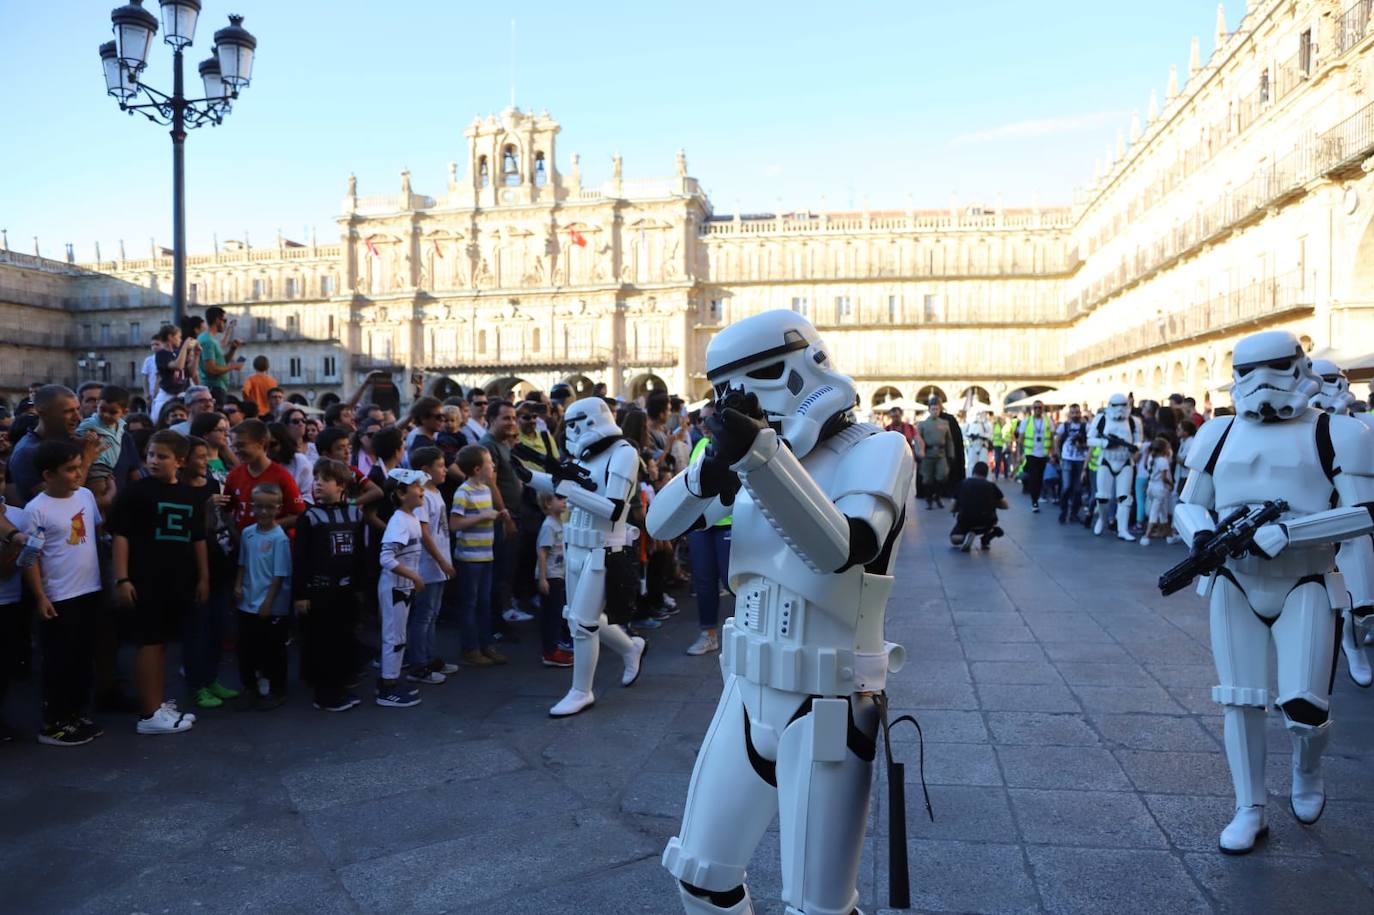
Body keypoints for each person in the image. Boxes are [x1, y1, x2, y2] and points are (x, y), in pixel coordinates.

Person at [645, 310, 912, 915]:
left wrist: (763, 457)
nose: (737, 404)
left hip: (828, 703)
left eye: (748, 385)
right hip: (745, 692)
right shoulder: (754, 457)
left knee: (819, 909)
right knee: (700, 877)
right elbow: (659, 524)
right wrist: (705, 475)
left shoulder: (878, 449)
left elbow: (842, 548)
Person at [1171, 330, 1374, 854]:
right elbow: (1190, 501)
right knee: (1239, 701)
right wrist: (1200, 535)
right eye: (1248, 370)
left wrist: (1293, 532)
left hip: (1304, 577)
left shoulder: (1337, 433)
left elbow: (1366, 512)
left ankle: (1308, 767)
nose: (1261, 382)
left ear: (1299, 366)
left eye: (1276, 366)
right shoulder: (1217, 434)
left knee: (1304, 708)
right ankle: (1250, 807)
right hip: (1233, 580)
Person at [519, 397, 646, 718]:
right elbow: (562, 482)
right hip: (575, 544)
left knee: (583, 623)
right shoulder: (587, 456)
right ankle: (630, 647)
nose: (571, 431)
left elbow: (614, 507)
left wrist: (570, 490)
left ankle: (581, 691)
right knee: (579, 616)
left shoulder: (623, 453)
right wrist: (527, 475)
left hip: (603, 548)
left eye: (576, 423)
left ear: (592, 420)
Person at [110, 430, 207, 735]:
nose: (154, 461)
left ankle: (157, 702)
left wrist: (203, 576)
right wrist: (122, 578)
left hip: (175, 581)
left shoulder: (190, 495)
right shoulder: (136, 492)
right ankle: (149, 714)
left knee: (162, 643)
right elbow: (121, 536)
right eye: (151, 454)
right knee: (149, 643)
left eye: (162, 456)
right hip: (144, 580)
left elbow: (198, 538)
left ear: (180, 461)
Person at [22, 440, 105, 746]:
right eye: (70, 470)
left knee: (83, 658)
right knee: (59, 661)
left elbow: (94, 531)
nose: (78, 474)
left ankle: (76, 715)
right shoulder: (36, 510)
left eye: (79, 467)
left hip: (90, 590)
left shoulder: (84, 495)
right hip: (59, 598)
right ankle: (54, 723)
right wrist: (40, 596)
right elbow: (32, 558)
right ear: (48, 474)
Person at [1309, 359, 1374, 688]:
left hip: (1354, 515)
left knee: (1363, 603)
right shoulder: (1300, 425)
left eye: (1331, 379)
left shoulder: (1362, 426)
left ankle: (1353, 640)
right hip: (1308, 518)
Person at [292, 459, 367, 712]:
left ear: (342, 485)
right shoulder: (309, 517)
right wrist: (300, 594)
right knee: (321, 641)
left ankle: (340, 684)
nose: (317, 484)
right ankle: (325, 694)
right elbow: (300, 558)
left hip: (345, 590)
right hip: (319, 591)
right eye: (315, 480)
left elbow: (360, 554)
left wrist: (360, 587)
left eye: (324, 480)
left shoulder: (355, 514)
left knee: (343, 638)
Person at [180, 436, 240, 710]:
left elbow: (223, 520)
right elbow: (191, 533)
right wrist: (204, 509)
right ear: (184, 460)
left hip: (221, 563)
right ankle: (196, 684)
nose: (206, 461)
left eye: (207, 456)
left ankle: (212, 678)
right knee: (197, 629)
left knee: (218, 625)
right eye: (200, 457)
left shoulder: (214, 484)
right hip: (194, 570)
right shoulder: (179, 489)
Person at [234, 483, 292, 710]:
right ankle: (251, 686)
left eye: (270, 507)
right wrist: (238, 586)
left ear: (278, 508)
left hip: (270, 605)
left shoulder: (280, 538)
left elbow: (279, 576)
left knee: (273, 649)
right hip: (248, 601)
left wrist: (268, 603)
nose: (264, 512)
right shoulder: (248, 533)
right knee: (247, 648)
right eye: (259, 507)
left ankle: (277, 689)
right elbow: (242, 564)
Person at [376, 468, 427, 708]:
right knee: (393, 637)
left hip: (403, 588)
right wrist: (414, 577)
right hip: (396, 587)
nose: (422, 490)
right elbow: (386, 558)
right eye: (416, 486)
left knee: (399, 636)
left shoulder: (411, 518)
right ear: (401, 493)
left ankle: (393, 679)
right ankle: (387, 687)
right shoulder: (399, 521)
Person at [406, 446, 456, 684]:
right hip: (428, 565)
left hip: (439, 563)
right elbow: (424, 533)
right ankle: (418, 664)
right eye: (440, 465)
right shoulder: (423, 495)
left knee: (432, 614)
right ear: (425, 470)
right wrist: (441, 560)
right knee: (424, 615)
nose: (444, 470)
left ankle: (430, 656)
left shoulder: (435, 491)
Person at [450, 445, 503, 667]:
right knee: (470, 603)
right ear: (478, 468)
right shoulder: (464, 492)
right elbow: (455, 524)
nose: (493, 466)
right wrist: (482, 516)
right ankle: (470, 648)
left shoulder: (486, 489)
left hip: (485, 555)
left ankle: (486, 644)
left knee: (484, 602)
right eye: (490, 462)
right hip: (469, 558)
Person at [684, 432, 731, 657]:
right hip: (700, 524)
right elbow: (688, 483)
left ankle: (747, 633)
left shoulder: (737, 443)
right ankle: (709, 634)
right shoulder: (701, 443)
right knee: (703, 580)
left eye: (708, 417)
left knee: (733, 581)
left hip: (729, 521)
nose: (703, 423)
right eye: (702, 419)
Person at [224, 419, 305, 531]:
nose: (236, 451)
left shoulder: (282, 476)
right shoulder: (233, 476)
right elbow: (227, 511)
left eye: (241, 445)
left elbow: (299, 515)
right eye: (233, 446)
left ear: (261, 443)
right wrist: (236, 535)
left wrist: (265, 528)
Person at [1087, 393, 1144, 541]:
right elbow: (1090, 439)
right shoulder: (1101, 419)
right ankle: (1102, 519)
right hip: (1106, 460)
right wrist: (1105, 443)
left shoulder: (1134, 421)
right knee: (1102, 497)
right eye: (1116, 405)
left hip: (1125, 461)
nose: (1119, 409)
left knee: (1124, 498)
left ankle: (1122, 529)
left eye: (1123, 405)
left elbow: (1139, 441)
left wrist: (1134, 448)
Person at [534, 492, 574, 668]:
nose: (564, 501)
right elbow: (542, 553)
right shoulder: (549, 526)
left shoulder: (559, 523)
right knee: (551, 615)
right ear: (548, 503)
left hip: (558, 574)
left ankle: (554, 647)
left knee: (557, 613)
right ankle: (550, 651)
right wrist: (543, 578)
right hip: (551, 576)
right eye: (559, 498)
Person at [75, 383, 130, 507]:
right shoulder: (91, 422)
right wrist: (84, 439)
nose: (105, 415)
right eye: (102, 409)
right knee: (99, 495)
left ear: (124, 412)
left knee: (108, 497)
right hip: (96, 465)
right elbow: (73, 437)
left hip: (108, 468)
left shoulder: (121, 425)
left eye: (112, 412)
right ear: (98, 404)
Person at [949, 460, 1008, 551]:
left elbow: (951, 507)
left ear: (973, 471)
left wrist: (959, 507)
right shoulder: (991, 486)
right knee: (993, 524)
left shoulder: (962, 484)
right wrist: (993, 503)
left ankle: (967, 535)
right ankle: (987, 537)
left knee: (954, 539)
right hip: (986, 521)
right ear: (986, 473)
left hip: (965, 520)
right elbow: (1005, 505)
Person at [198, 306, 245, 408]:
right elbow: (211, 369)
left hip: (217, 387)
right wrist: (233, 366)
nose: (225, 324)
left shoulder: (210, 340)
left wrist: (232, 349)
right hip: (214, 388)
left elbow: (221, 362)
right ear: (217, 320)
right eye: (225, 320)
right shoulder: (208, 341)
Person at [1052, 403, 1090, 526]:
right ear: (1069, 414)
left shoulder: (1086, 427)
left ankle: (1074, 513)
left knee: (1078, 489)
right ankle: (1063, 511)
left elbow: (1091, 444)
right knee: (1067, 486)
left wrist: (1082, 445)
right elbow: (1056, 440)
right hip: (1067, 458)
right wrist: (1058, 455)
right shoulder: (1064, 426)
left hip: (1080, 460)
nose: (1075, 415)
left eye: (1077, 412)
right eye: (1073, 412)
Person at [151, 324, 198, 422]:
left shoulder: (178, 353)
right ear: (170, 337)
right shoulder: (161, 354)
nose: (180, 340)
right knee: (159, 420)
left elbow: (191, 373)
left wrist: (196, 355)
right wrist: (185, 347)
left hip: (182, 394)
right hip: (167, 396)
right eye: (178, 337)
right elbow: (178, 366)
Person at [1015, 400, 1055, 512]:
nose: (1038, 409)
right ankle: (1034, 501)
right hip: (1031, 454)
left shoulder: (1048, 421)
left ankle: (1036, 496)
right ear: (1033, 409)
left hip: (1043, 454)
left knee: (1040, 477)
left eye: (1040, 407)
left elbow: (1052, 438)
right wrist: (1019, 454)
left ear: (1043, 409)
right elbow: (1020, 439)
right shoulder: (1026, 421)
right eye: (1036, 407)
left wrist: (1053, 452)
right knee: (1034, 477)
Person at [914, 399, 955, 509]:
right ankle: (929, 499)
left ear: (940, 409)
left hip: (941, 454)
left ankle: (937, 496)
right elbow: (918, 440)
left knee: (942, 476)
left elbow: (949, 440)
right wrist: (919, 452)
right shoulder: (922, 424)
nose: (935, 411)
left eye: (937, 409)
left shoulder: (945, 423)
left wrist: (951, 454)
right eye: (933, 409)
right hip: (927, 454)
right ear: (929, 410)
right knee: (927, 479)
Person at [1138, 436, 1173, 546]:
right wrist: (1171, 484)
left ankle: (1169, 536)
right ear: (1164, 449)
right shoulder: (1163, 461)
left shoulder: (1150, 458)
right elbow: (1164, 478)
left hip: (1151, 486)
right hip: (1160, 488)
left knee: (1162, 512)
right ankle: (1146, 535)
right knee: (1155, 511)